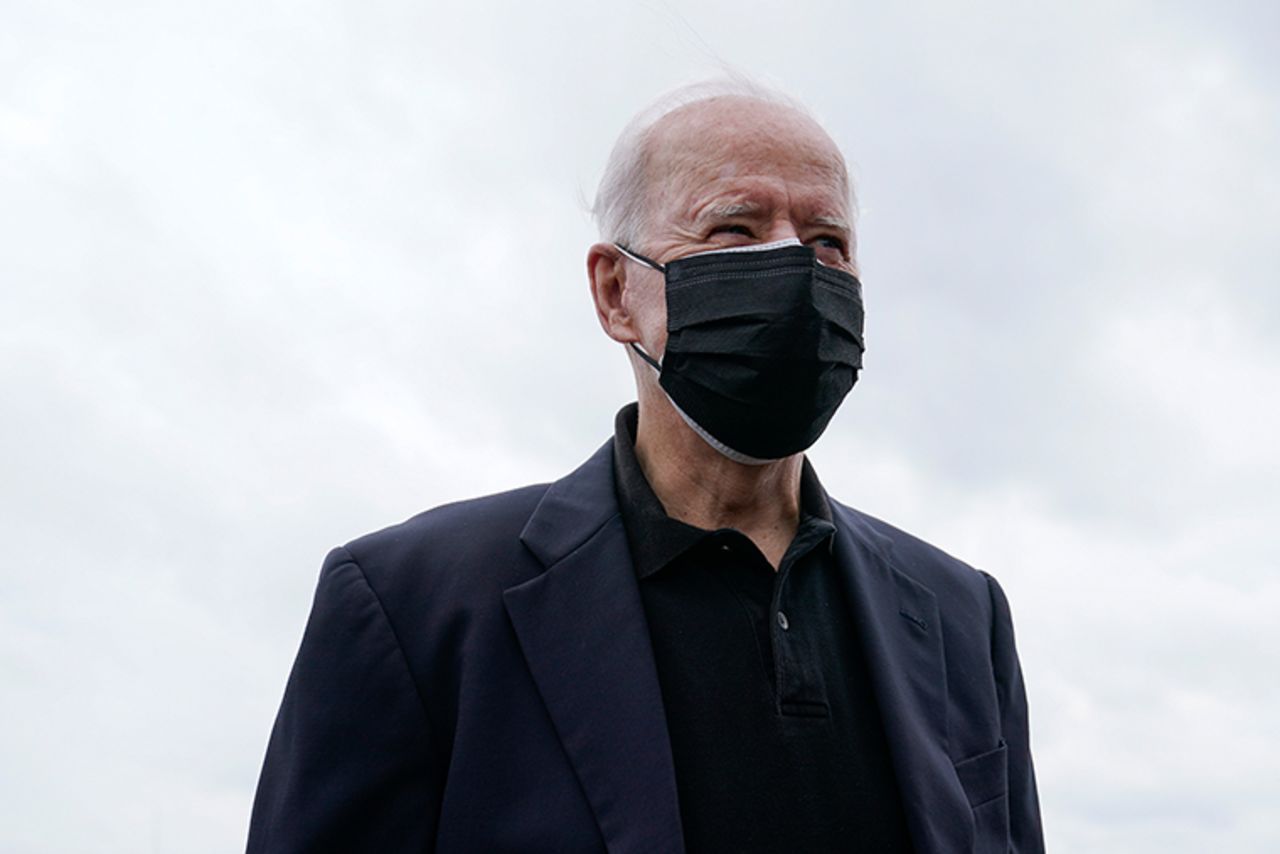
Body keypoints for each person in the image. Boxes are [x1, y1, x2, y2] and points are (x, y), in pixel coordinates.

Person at [246, 79, 1044, 854]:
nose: (796, 270)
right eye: (734, 230)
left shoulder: (959, 615)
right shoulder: (413, 607)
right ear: (616, 291)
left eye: (828, 241)